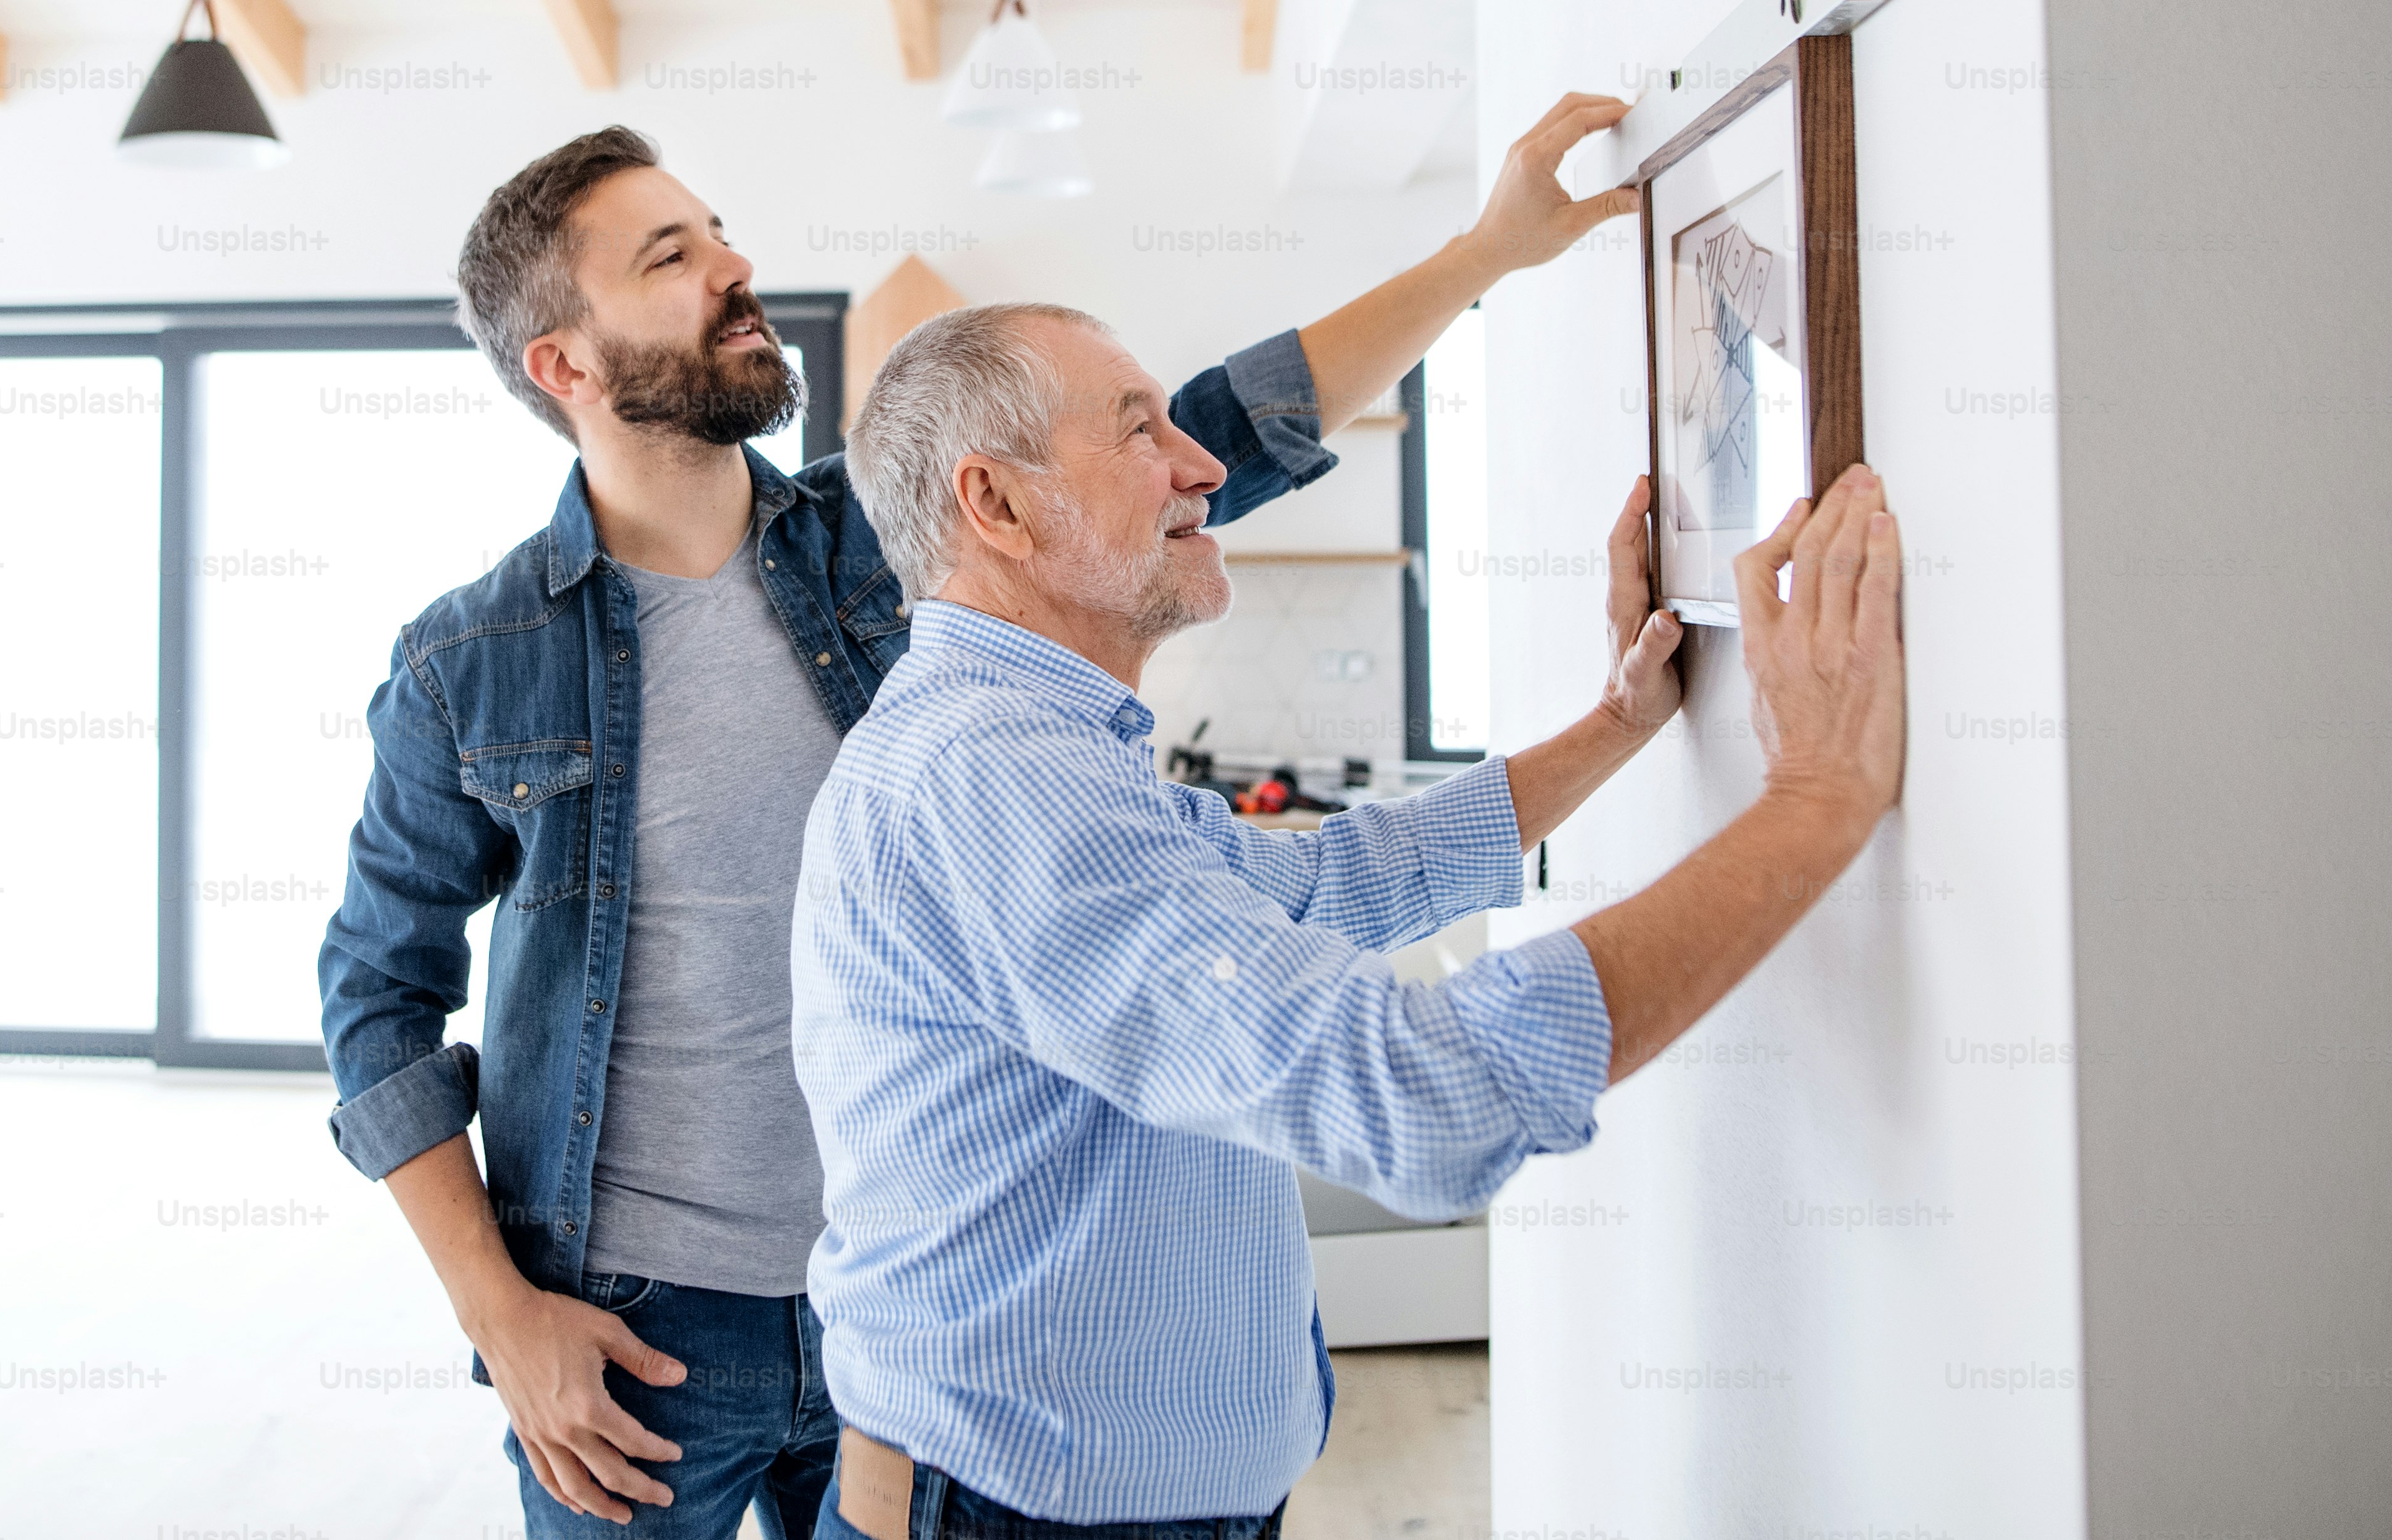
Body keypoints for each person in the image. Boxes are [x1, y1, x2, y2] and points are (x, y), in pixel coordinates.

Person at [318, 98, 1644, 1537]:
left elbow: (1216, 432)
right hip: (634, 1336)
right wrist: (502, 1314)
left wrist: (1489, 251)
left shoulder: (878, 543)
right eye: (670, 257)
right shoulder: (471, 661)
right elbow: (377, 1000)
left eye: (718, 232)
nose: (731, 266)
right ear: (565, 361)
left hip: (915, 1316)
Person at [795, 302, 1907, 1540]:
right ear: (996, 505)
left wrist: (1618, 725)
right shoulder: (997, 775)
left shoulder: (1030, 747)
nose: (1204, 463)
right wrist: (1818, 799)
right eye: (1139, 431)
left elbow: (1330, 889)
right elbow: (1425, 1091)